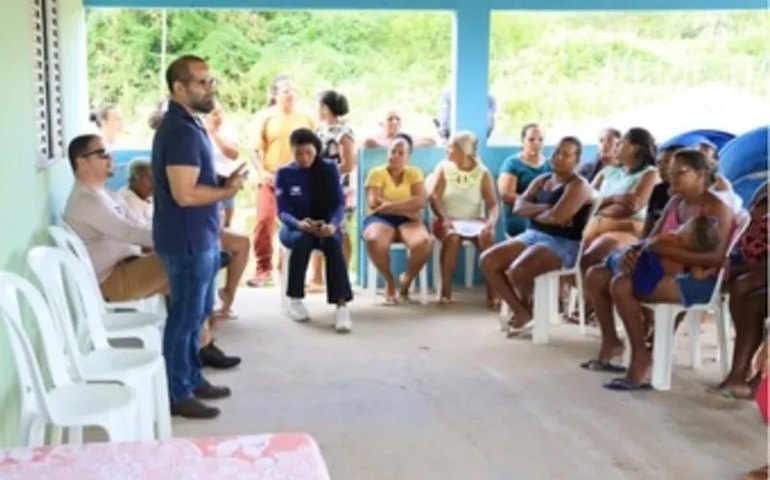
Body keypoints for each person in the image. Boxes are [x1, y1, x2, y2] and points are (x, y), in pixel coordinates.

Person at [152, 54, 248, 418]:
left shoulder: (189, 124)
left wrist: (224, 183)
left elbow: (193, 185)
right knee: (185, 318)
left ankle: (191, 379)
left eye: (211, 81)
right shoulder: (177, 130)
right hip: (187, 241)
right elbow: (185, 193)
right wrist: (226, 193)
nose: (210, 89)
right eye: (202, 82)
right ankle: (176, 392)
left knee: (196, 316)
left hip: (200, 236)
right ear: (179, 88)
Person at [595, 149, 734, 390]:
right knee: (597, 275)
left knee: (621, 285)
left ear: (701, 175)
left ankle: (641, 356)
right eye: (671, 173)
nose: (673, 178)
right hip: (667, 269)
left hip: (699, 280)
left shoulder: (716, 208)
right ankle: (613, 342)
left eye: (680, 172)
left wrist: (663, 251)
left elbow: (715, 258)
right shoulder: (675, 201)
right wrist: (635, 251)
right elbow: (651, 237)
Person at [480, 137, 593, 333]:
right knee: (488, 260)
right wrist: (547, 209)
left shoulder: (579, 185)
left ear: (577, 160)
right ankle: (522, 312)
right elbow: (518, 206)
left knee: (518, 270)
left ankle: (526, 310)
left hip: (563, 243)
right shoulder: (542, 180)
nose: (558, 157)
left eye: (566, 155)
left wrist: (538, 211)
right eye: (557, 152)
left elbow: (557, 218)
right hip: (533, 234)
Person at [275, 128, 353, 333]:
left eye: (308, 153)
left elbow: (339, 203)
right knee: (302, 240)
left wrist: (333, 225)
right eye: (298, 153)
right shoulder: (284, 173)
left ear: (316, 151)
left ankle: (341, 305)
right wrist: (299, 223)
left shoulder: (328, 169)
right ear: (292, 151)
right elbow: (282, 211)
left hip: (325, 227)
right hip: (294, 228)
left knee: (334, 242)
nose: (304, 158)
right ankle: (295, 299)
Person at [249, 75, 315, 287]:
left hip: (298, 178)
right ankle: (263, 269)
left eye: (292, 89)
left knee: (299, 223)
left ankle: (291, 269)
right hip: (270, 177)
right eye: (285, 90)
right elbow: (254, 149)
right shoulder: (266, 117)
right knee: (264, 220)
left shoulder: (305, 117)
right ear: (275, 94)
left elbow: (314, 147)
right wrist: (262, 172)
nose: (289, 93)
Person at [428, 131, 499, 305]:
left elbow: (493, 205)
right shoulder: (443, 168)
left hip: (474, 221)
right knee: (452, 237)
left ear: (463, 151)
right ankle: (445, 292)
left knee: (488, 238)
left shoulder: (482, 173)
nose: (447, 150)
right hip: (446, 219)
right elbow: (434, 197)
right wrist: (445, 219)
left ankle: (494, 294)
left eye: (451, 147)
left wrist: (490, 223)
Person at [711, 183, 768, 399]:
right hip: (755, 260)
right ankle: (739, 371)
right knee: (748, 296)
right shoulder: (765, 188)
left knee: (745, 287)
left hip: (761, 266)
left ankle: (751, 374)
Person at [579, 127, 660, 274]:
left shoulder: (650, 174)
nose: (616, 146)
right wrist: (616, 198)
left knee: (591, 256)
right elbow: (585, 201)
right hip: (593, 225)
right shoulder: (608, 172)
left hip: (627, 229)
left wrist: (600, 204)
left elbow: (632, 207)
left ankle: (585, 296)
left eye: (621, 142)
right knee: (574, 256)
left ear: (635, 148)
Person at [362, 133, 431, 304]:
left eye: (401, 153)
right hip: (381, 219)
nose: (395, 156)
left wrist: (390, 206)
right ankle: (389, 282)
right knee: (374, 240)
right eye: (393, 151)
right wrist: (408, 208)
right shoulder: (376, 173)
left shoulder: (415, 173)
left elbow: (420, 200)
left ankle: (406, 280)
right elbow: (374, 202)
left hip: (408, 221)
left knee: (423, 243)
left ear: (408, 156)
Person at [308, 89, 357, 291]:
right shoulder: (318, 130)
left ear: (326, 108)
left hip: (338, 188)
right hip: (317, 187)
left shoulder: (344, 132)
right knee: (318, 227)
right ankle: (317, 278)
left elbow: (348, 164)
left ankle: (341, 275)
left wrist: (326, 171)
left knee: (340, 230)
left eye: (319, 105)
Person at [631, 216, 720, 296]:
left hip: (648, 270)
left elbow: (650, 243)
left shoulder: (671, 238)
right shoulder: (692, 257)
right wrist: (710, 271)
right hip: (664, 277)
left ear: (688, 234)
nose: (681, 226)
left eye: (685, 225)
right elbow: (698, 276)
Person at [497, 123, 550, 238]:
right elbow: (506, 194)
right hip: (519, 215)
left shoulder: (549, 164)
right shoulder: (512, 163)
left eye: (540, 139)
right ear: (523, 141)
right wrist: (534, 205)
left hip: (545, 214)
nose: (536, 143)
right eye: (531, 139)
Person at [205, 100, 241, 229]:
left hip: (226, 180)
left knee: (225, 223)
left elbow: (233, 153)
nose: (218, 117)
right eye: (214, 114)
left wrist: (214, 133)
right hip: (206, 182)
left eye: (220, 113)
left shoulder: (228, 131)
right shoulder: (198, 131)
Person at [362, 109, 436, 148]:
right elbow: (368, 142)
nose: (394, 122)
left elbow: (432, 141)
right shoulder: (376, 137)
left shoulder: (406, 136)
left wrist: (408, 146)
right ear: (382, 124)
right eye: (390, 119)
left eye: (397, 119)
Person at [121, 158, 154, 227]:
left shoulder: (147, 196)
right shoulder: (126, 201)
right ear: (132, 179)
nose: (154, 183)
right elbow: (141, 231)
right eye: (150, 178)